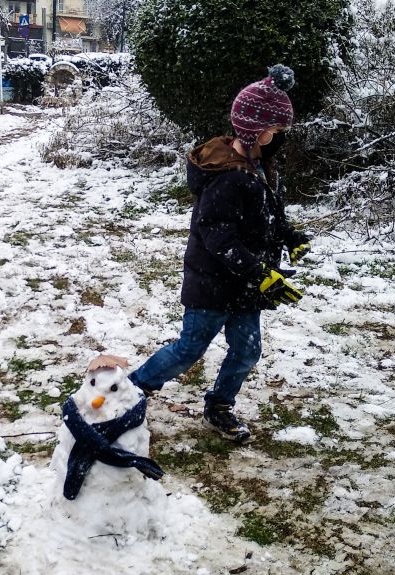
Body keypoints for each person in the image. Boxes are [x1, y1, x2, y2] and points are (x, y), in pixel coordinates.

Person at [128, 65, 311, 443]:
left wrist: (288, 235)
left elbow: (266, 213)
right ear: (253, 129)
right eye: (274, 129)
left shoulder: (257, 166)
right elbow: (217, 237)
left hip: (245, 286)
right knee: (189, 349)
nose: (278, 136)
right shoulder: (227, 178)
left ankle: (219, 406)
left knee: (247, 350)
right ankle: (131, 393)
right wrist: (261, 273)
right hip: (212, 283)